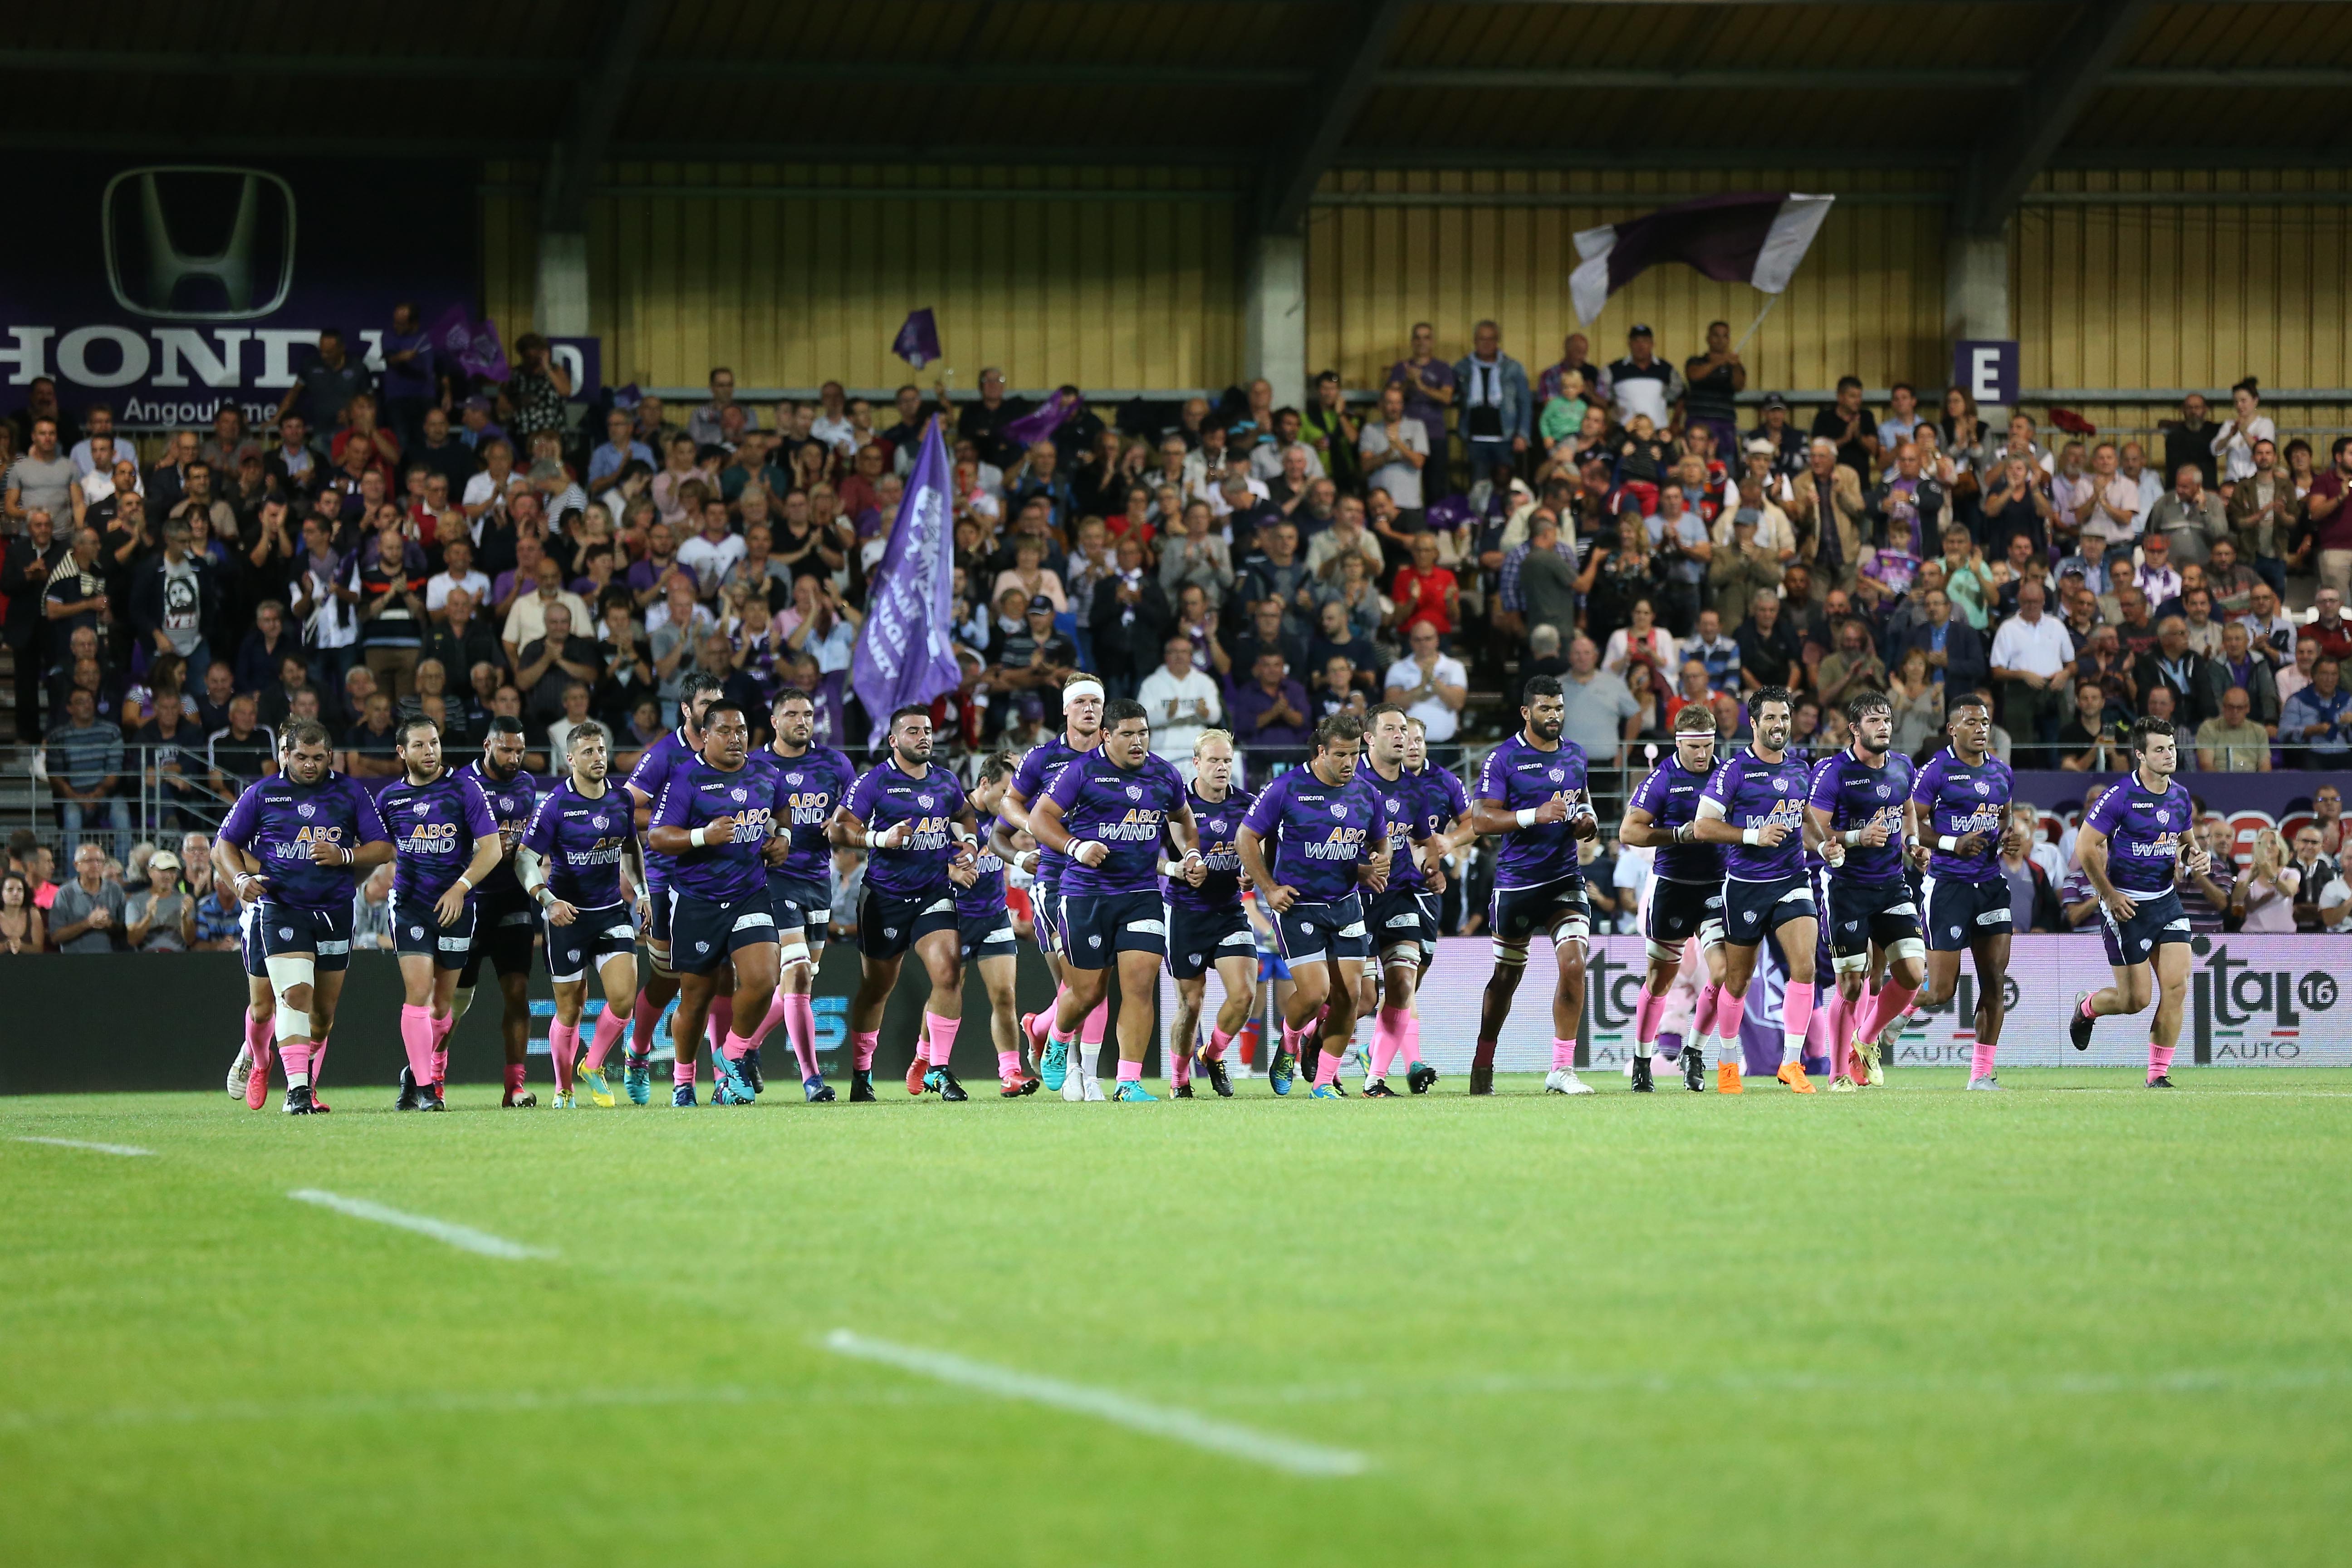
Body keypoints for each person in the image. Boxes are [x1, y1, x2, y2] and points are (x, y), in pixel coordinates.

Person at [215, 720, 393, 1112]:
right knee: (289, 998)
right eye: (301, 757)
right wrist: (240, 878)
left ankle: (295, 1078)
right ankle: (289, 1085)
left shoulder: (350, 791)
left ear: (330, 755)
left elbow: (383, 848)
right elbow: (223, 845)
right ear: (285, 755)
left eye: (317, 757)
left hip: (333, 911)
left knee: (323, 1016)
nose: (309, 765)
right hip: (281, 908)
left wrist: (344, 857)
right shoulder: (263, 793)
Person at [1030, 700, 1199, 1102]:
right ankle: (1057, 1036)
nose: (1138, 742)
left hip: (1141, 895)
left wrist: (1190, 854)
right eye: (1128, 734)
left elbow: (1183, 821)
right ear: (1107, 736)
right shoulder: (1082, 770)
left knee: (1139, 989)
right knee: (1087, 993)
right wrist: (1075, 846)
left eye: (1143, 733)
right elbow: (1040, 818)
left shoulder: (1164, 774)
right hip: (1086, 894)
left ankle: (1128, 1082)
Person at [1239, 712, 1390, 1098]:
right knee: (1315, 993)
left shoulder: (1366, 793)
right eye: (1340, 755)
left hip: (1345, 904)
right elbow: (1246, 838)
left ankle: (1323, 1083)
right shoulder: (1286, 788)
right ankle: (1289, 1042)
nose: (1348, 763)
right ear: (1322, 751)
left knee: (1353, 997)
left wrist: (1376, 864)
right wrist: (1269, 889)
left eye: (1355, 755)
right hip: (1298, 906)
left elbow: (1379, 841)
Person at [1465, 676, 1601, 1096]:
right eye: (1545, 709)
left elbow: (1588, 808)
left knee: (1576, 964)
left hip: (1564, 878)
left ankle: (1561, 1069)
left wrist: (1587, 824)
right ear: (1527, 713)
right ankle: (1483, 1062)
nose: (1555, 715)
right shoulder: (1504, 758)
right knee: (1505, 979)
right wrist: (1532, 815)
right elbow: (1482, 820)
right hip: (1518, 883)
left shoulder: (1575, 756)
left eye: (1559, 708)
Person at [838, 706, 982, 1103]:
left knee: (949, 974)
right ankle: (862, 1073)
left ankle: (938, 1069)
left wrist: (969, 844)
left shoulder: (946, 782)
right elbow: (839, 827)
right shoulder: (874, 781)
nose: (924, 737)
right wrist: (880, 839)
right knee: (878, 987)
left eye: (928, 730)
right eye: (914, 730)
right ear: (893, 740)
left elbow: (966, 813)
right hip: (884, 897)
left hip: (934, 893)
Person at [646, 698, 784, 1107]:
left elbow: (781, 811)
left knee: (764, 979)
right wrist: (703, 836)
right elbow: (657, 837)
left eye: (741, 730)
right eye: (724, 731)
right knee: (695, 998)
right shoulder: (686, 778)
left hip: (749, 894)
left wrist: (783, 840)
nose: (735, 738)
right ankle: (683, 1081)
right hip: (699, 900)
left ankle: (734, 1054)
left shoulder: (765, 773)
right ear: (705, 735)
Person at [1692, 688, 1823, 1094]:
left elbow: (1806, 821)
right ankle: (1728, 1062)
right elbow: (1702, 826)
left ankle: (1791, 1063)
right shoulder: (1734, 770)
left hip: (1792, 880)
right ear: (1754, 723)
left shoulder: (1801, 769)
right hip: (1746, 886)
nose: (1779, 725)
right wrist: (1753, 834)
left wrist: (1823, 845)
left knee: (1805, 969)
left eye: (1784, 717)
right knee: (1737, 981)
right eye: (1770, 718)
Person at [378, 715, 505, 1110]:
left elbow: (492, 848)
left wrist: (460, 888)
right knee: (418, 992)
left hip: (456, 907)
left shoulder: (464, 790)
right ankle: (424, 1087)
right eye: (419, 745)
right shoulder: (389, 800)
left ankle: (417, 1071)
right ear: (402, 752)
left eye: (434, 743)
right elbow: (376, 849)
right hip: (411, 905)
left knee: (442, 1008)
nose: (429, 751)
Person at [515, 720, 643, 1110]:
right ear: (570, 759)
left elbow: (630, 849)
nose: (598, 758)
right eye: (588, 752)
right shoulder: (555, 805)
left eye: (601, 750)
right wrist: (547, 899)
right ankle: (563, 1087)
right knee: (570, 1008)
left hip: (611, 914)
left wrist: (642, 894)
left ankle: (595, 1064)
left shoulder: (621, 800)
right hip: (566, 918)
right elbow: (524, 858)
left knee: (623, 999)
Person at [2068, 717, 2202, 1088]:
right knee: (2135, 1000)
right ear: (2140, 754)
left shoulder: (2180, 796)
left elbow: (2187, 844)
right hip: (2126, 907)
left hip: (2166, 903)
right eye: (2159, 749)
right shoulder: (2120, 796)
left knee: (2176, 987)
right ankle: (2087, 1007)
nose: (2168, 755)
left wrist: (2196, 856)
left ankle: (2157, 1077)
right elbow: (2085, 846)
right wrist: (2109, 894)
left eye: (2172, 748)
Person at [1806, 693, 1926, 1092]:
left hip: (1892, 885)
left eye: (1887, 720)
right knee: (1853, 983)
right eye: (1874, 721)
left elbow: (1907, 812)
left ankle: (1867, 1041)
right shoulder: (1833, 772)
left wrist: (1913, 845)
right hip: (1847, 888)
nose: (1884, 727)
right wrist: (1855, 837)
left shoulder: (1903, 767)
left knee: (1912, 972)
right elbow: (1813, 829)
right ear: (1855, 729)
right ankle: (1838, 1073)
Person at [618, 671, 727, 1102]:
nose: (715, 711)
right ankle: (638, 1053)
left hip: (721, 877)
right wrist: (675, 825)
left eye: (719, 702)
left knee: (721, 976)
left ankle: (723, 1074)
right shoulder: (666, 754)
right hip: (668, 879)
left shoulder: (730, 746)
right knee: (667, 980)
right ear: (686, 710)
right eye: (706, 704)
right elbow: (625, 807)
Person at [999, 673, 1109, 1092]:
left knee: (1093, 983)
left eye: (1095, 703)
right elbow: (1007, 806)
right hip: (1058, 879)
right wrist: (1037, 827)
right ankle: (1073, 1065)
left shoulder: (1116, 755)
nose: (1088, 709)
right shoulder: (1042, 758)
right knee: (1077, 982)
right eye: (1080, 702)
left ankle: (1064, 1051)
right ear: (1065, 709)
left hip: (1105, 881)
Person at [754, 687, 859, 1101]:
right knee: (796, 975)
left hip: (818, 881)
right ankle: (812, 1079)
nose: (802, 721)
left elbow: (853, 814)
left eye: (808, 714)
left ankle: (741, 1047)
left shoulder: (835, 764)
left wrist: (840, 825)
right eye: (793, 714)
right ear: (775, 721)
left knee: (799, 984)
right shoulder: (756, 765)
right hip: (772, 879)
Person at [1906, 693, 2016, 1090]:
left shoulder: (2002, 772)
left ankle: (1981, 1074)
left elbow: (2004, 819)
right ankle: (1889, 1012)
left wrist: (2007, 840)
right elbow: (1911, 825)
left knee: (1995, 978)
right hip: (1949, 885)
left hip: (1989, 885)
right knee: (1939, 991)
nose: (1980, 729)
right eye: (1971, 722)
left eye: (1984, 722)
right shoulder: (1936, 771)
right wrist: (1953, 843)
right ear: (1952, 729)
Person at [1615, 705, 1727, 1093]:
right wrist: (1677, 835)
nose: (1702, 754)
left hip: (1716, 887)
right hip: (1673, 887)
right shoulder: (1663, 778)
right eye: (1694, 746)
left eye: (1708, 745)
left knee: (1725, 974)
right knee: (1659, 983)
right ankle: (1643, 1062)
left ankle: (1694, 1051)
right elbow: (1629, 832)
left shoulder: (1726, 773)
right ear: (1679, 743)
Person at [1352, 706, 1456, 1097]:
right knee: (1359, 1000)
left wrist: (1432, 869)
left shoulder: (1415, 788)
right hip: (1352, 901)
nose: (1402, 737)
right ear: (1370, 738)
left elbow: (1418, 842)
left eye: (1405, 730)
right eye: (1392, 730)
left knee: (1402, 982)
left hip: (1398, 896)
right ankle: (1306, 1039)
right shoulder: (1353, 779)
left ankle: (1374, 1080)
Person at [446, 719, 542, 1106]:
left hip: (511, 899)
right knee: (455, 1004)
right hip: (469, 902)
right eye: (507, 750)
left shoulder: (527, 786)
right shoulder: (461, 786)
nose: (514, 758)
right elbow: (448, 844)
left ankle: (515, 1086)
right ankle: (428, 1075)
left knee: (518, 994)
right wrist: (484, 848)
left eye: (520, 751)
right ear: (488, 745)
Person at [1161, 730, 1259, 1099]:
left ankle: (1213, 1054)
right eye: (1214, 761)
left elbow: (1259, 850)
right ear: (1197, 763)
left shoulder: (1248, 804)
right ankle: (1179, 1080)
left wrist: (1252, 870)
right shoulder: (1177, 804)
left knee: (1245, 996)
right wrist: (1176, 870)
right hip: (1185, 912)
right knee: (1191, 1004)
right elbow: (1145, 855)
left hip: (1229, 910)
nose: (1222, 768)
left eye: (1227, 761)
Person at [1136, 632, 1221, 767]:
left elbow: (1216, 716)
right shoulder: (1151, 683)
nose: (1179, 657)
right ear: (1166, 656)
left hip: (1197, 750)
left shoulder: (1204, 682)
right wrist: (1167, 714)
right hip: (1163, 750)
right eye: (1174, 652)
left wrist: (1205, 713)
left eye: (1184, 652)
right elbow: (1142, 720)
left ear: (1191, 656)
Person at [48, 840, 127, 954]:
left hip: (110, 961)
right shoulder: (65, 893)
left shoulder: (115, 890)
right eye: (89, 861)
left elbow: (126, 929)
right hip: (74, 962)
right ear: (76, 865)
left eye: (99, 861)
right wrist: (88, 923)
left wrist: (109, 924)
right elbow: (55, 936)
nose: (95, 865)